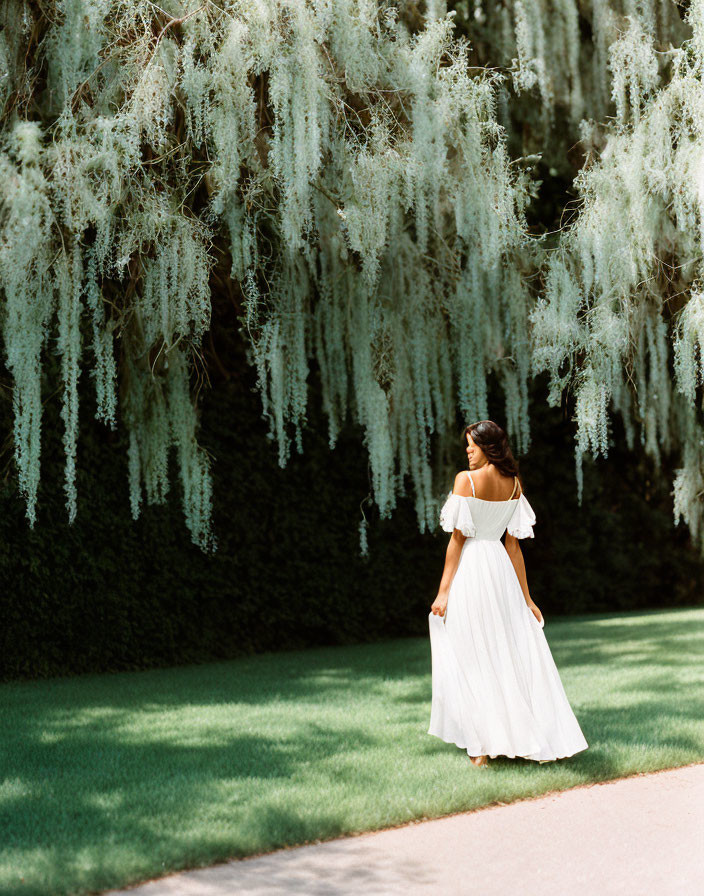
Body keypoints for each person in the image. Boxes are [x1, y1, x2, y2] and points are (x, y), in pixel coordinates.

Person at [428, 420, 588, 767]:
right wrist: (525, 598)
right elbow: (513, 549)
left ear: (489, 447)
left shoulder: (465, 481)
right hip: (499, 571)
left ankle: (481, 747)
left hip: (473, 569)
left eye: (472, 445)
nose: (467, 452)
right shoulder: (514, 485)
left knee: (472, 652)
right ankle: (500, 737)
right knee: (501, 650)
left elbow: (457, 541)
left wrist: (443, 593)